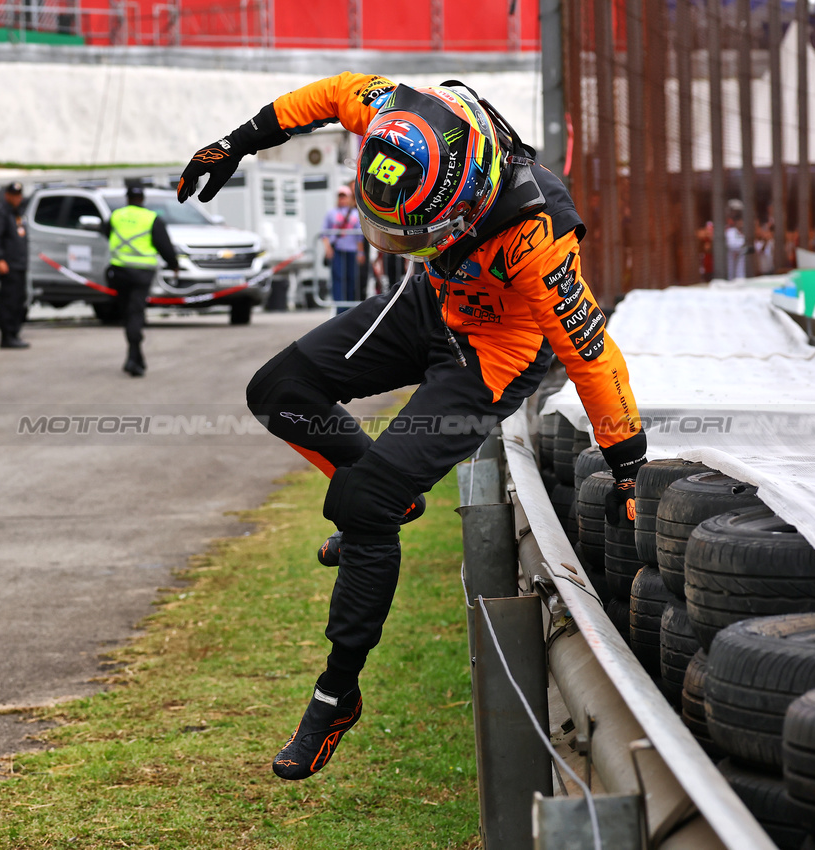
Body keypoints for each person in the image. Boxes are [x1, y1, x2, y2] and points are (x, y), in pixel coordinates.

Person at [178, 74, 646, 781]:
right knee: (277, 392)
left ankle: (336, 694)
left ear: (472, 200)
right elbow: (328, 95)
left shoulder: (537, 235)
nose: (404, 239)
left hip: (492, 356)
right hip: (430, 303)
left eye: (418, 231)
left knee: (359, 506)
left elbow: (592, 356)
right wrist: (235, 144)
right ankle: (385, 497)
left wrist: (629, 464)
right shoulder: (399, 111)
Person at [100, 186, 180, 377]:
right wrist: (174, 265)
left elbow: (105, 232)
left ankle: (134, 356)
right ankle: (134, 357)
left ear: (127, 198)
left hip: (119, 271)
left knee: (128, 313)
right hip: (141, 273)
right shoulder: (151, 218)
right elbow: (164, 245)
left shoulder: (116, 216)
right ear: (142, 199)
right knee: (135, 313)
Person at [0, 181, 31, 349]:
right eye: (14, 195)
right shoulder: (1, 212)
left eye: (19, 195)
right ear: (7, 195)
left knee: (19, 300)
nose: (17, 198)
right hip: (8, 264)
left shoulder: (17, 213)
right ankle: (7, 335)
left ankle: (14, 332)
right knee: (9, 301)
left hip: (19, 264)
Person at [321, 186, 362, 313]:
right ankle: (339, 307)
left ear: (350, 198)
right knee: (338, 278)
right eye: (340, 196)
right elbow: (324, 233)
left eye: (344, 196)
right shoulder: (331, 213)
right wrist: (327, 248)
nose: (342, 199)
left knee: (351, 279)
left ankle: (349, 308)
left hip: (351, 250)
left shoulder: (355, 213)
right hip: (337, 250)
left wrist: (360, 252)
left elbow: (359, 236)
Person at [725, 199, 747, 279]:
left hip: (743, 270)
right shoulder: (730, 231)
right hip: (732, 270)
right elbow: (733, 245)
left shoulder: (742, 233)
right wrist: (747, 243)